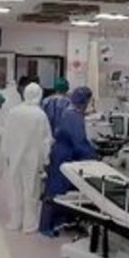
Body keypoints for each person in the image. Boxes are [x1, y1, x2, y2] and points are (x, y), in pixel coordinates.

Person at [40, 87, 96, 235]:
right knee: (55, 191)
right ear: (84, 101)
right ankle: (46, 227)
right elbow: (79, 142)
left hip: (63, 154)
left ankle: (58, 222)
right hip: (63, 156)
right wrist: (95, 157)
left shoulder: (70, 112)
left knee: (61, 190)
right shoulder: (73, 116)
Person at [2, 83, 53, 233]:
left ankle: (14, 222)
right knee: (31, 192)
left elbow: (6, 136)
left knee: (16, 190)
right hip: (33, 159)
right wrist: (45, 160)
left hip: (14, 158)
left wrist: (6, 155)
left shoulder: (14, 112)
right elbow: (46, 140)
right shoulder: (40, 115)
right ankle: (29, 225)